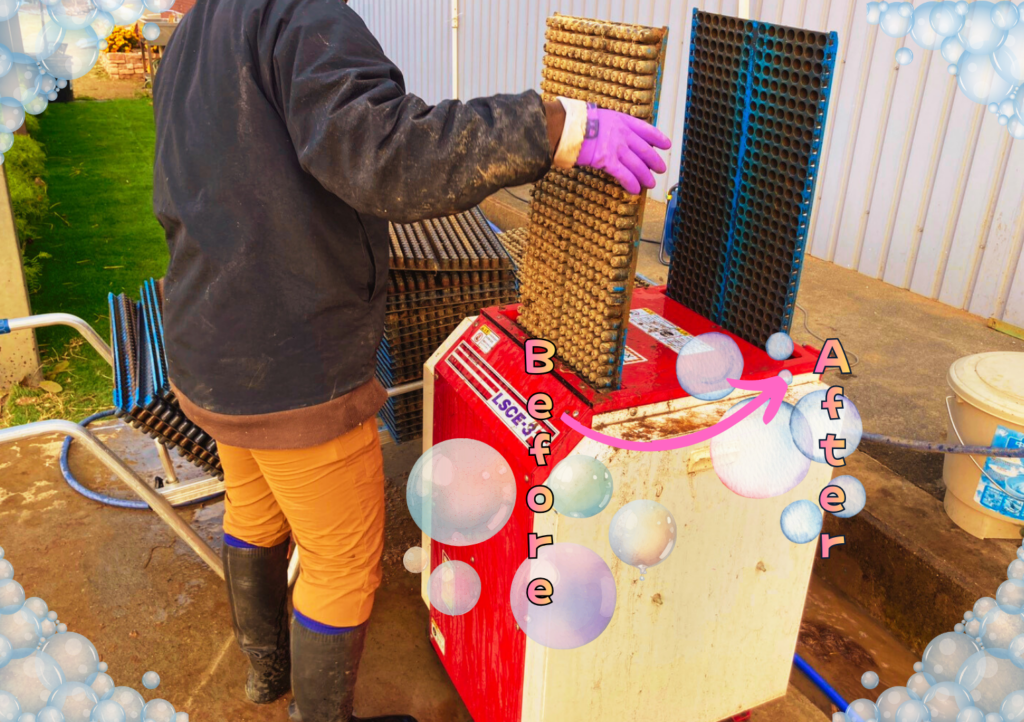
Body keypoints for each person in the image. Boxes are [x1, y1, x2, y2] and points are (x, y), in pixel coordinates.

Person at [151, 0, 671, 719]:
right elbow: (388, 155)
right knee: (340, 563)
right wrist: (554, 127)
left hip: (209, 341)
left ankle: (266, 674)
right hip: (290, 364)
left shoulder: (198, 29)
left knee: (255, 509)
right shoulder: (298, 14)